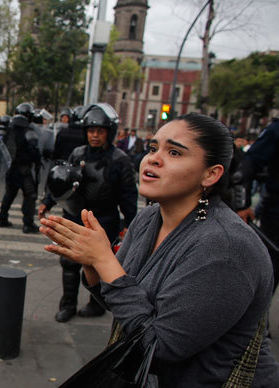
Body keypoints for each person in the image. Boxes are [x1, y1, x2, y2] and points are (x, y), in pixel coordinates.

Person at [40, 113, 279, 386]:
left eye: (174, 152)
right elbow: (124, 303)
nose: (152, 158)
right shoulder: (148, 218)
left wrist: (104, 258)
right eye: (153, 148)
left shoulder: (226, 247)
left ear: (211, 174)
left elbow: (158, 347)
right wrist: (91, 261)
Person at [39, 103, 137, 323]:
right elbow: (62, 180)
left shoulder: (120, 160)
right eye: (91, 131)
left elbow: (129, 196)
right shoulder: (78, 153)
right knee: (69, 263)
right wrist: (47, 202)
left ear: (109, 132)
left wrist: (130, 224)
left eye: (100, 131)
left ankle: (96, 305)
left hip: (104, 220)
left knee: (97, 265)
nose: (94, 135)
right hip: (76, 216)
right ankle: (68, 306)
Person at [237, 118, 279, 293]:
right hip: (276, 212)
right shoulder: (276, 131)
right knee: (269, 272)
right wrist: (242, 205)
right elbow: (248, 166)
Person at [0, 102, 42, 233]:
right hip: (24, 169)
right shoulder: (28, 130)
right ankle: (28, 224)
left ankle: (2, 218)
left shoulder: (9, 129)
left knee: (9, 194)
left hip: (11, 168)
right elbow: (34, 148)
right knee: (30, 195)